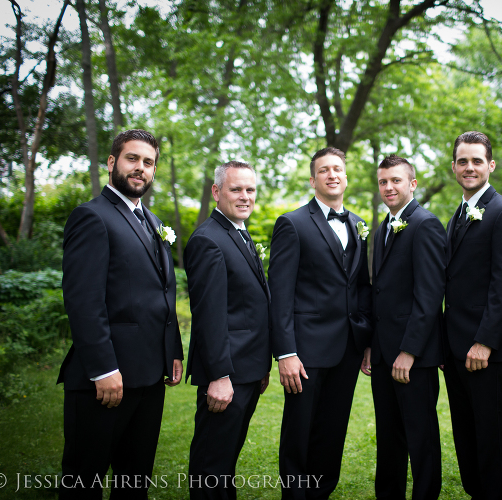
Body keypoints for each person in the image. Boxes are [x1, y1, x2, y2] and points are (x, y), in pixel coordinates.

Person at [58, 129, 183, 498]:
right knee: (85, 479)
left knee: (134, 479)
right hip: (105, 379)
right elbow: (83, 301)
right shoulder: (91, 217)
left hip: (149, 377)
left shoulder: (155, 223)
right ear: (112, 162)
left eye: (148, 162)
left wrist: (172, 348)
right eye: (133, 159)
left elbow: (162, 292)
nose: (140, 168)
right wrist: (103, 368)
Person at [268, 147, 373, 499]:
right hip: (306, 351)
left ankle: (322, 490)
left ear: (346, 177)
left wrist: (366, 339)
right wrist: (286, 352)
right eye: (324, 170)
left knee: (333, 428)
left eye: (338, 169)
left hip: (347, 348)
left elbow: (360, 286)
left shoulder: (359, 224)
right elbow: (280, 294)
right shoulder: (292, 223)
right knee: (299, 430)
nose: (332, 175)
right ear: (313, 180)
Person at [442, 132, 502, 500]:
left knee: (489, 435)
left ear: (490, 165)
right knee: (464, 432)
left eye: (477, 160)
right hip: (455, 347)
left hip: (485, 350)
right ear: (454, 168)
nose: (469, 167)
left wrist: (484, 342)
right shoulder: (457, 215)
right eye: (463, 161)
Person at [184, 161, 272, 499]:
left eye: (250, 190)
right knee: (212, 462)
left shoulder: (238, 231)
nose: (245, 196)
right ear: (217, 192)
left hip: (247, 369)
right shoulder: (209, 240)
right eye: (236, 189)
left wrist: (260, 367)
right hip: (226, 375)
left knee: (226, 460)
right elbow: (210, 316)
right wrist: (219, 376)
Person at [363, 154, 446, 500]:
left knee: (421, 437)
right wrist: (371, 345)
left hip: (413, 357)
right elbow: (379, 292)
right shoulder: (383, 226)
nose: (388, 187)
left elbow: (429, 296)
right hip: (383, 355)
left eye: (396, 180)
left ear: (412, 184)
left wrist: (409, 352)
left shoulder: (425, 225)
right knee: (389, 436)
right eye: (383, 182)